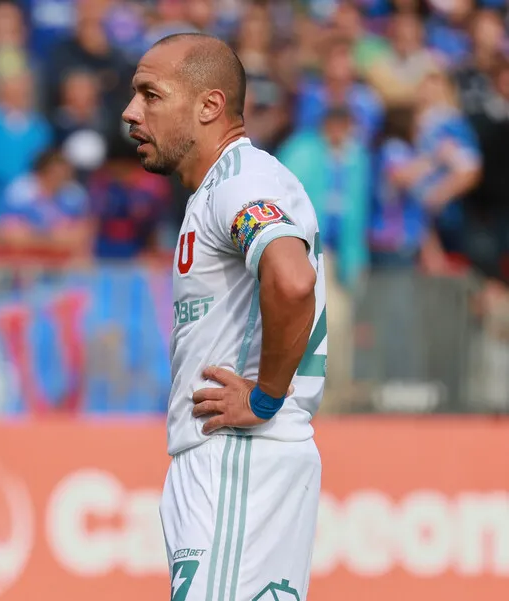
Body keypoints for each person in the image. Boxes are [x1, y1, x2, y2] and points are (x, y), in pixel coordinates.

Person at [122, 33, 325, 601]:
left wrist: (266, 397)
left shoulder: (240, 181)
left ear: (209, 105)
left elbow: (293, 280)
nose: (131, 112)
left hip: (237, 454)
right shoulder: (221, 187)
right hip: (235, 459)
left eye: (150, 95)